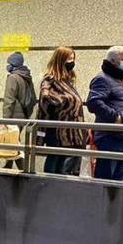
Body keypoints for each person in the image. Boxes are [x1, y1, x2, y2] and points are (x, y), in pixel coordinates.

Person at [86, 46, 123, 181]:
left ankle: (113, 201)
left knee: (119, 177)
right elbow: (93, 102)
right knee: (106, 178)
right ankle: (102, 201)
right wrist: (115, 117)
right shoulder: (103, 79)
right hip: (111, 137)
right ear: (113, 61)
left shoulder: (119, 79)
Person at [37, 47, 87, 175]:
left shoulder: (68, 81)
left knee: (67, 168)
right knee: (56, 165)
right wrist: (61, 101)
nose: (72, 62)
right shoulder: (50, 80)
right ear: (60, 60)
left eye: (73, 58)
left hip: (73, 133)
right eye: (69, 58)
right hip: (58, 133)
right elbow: (44, 105)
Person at [1, 51, 36, 170]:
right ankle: (8, 166)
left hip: (14, 115)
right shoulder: (25, 76)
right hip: (23, 114)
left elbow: (9, 99)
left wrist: (5, 118)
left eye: (9, 63)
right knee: (13, 142)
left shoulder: (13, 77)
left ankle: (24, 168)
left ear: (13, 64)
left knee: (14, 143)